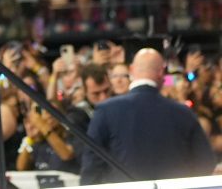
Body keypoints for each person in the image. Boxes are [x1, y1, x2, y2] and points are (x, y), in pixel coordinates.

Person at [80, 48, 215, 183]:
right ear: (161, 72)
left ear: (131, 70)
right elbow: (205, 163)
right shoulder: (183, 113)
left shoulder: (105, 110)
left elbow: (91, 167)